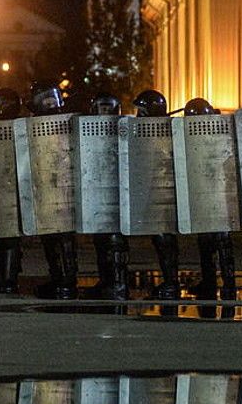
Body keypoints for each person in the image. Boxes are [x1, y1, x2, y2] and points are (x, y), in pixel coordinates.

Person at [28, 81, 79, 300]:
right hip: (51, 180)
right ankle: (62, 279)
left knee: (61, 235)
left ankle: (64, 282)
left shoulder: (66, 120)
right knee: (53, 235)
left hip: (61, 180)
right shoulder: (47, 121)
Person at [184, 97, 238, 300]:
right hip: (212, 194)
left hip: (219, 193)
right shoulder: (222, 129)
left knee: (218, 241)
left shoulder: (219, 132)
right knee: (209, 242)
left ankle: (225, 282)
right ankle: (216, 282)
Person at [133, 89, 182, 299]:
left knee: (164, 239)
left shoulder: (165, 131)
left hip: (164, 193)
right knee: (161, 238)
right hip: (156, 191)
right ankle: (170, 281)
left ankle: (171, 283)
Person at [88, 93, 129, 300]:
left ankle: (117, 282)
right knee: (101, 237)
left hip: (116, 190)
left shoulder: (124, 129)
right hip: (101, 190)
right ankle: (108, 280)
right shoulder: (90, 131)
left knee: (113, 239)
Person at [0, 87, 24, 294]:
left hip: (9, 185)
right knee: (2, 235)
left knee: (8, 235)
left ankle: (7, 279)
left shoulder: (12, 127)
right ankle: (5, 276)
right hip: (3, 184)